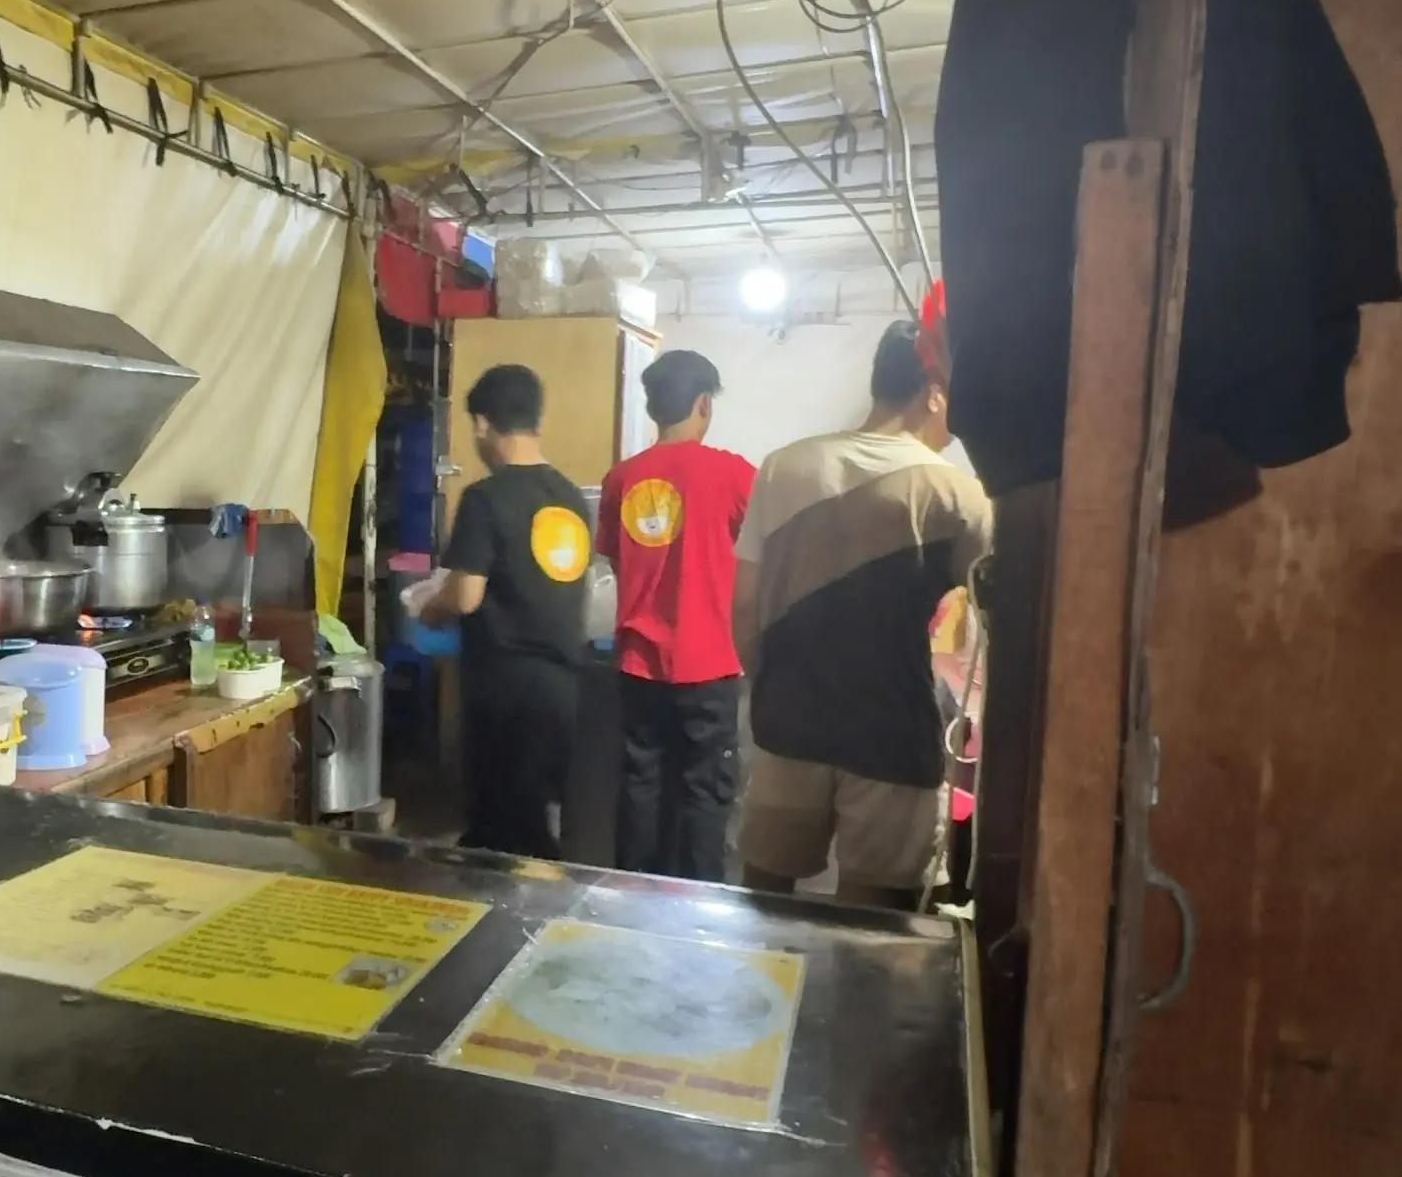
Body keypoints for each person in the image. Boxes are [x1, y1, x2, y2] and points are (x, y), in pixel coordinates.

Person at [732, 320, 993, 912]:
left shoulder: (781, 466)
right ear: (933, 390)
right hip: (891, 735)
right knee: (871, 930)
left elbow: (745, 606)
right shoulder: (957, 495)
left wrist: (772, 687)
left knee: (763, 906)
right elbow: (1002, 620)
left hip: (787, 722)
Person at [596, 349, 755, 880]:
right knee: (705, 791)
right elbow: (764, 545)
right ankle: (701, 901)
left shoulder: (621, 478)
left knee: (640, 784)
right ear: (704, 404)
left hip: (638, 663)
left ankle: (631, 892)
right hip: (709, 663)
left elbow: (618, 559)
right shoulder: (732, 474)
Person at [425, 363, 591, 861]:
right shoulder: (570, 497)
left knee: (503, 832)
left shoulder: (485, 498)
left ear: (481, 424)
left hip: (504, 690)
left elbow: (464, 595)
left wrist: (428, 607)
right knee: (539, 817)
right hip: (564, 685)